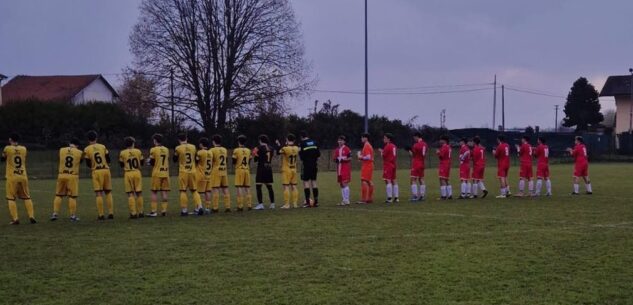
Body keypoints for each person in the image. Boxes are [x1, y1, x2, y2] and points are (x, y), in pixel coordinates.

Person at [2, 133, 36, 224]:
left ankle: (15, 219)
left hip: (12, 177)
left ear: (10, 139)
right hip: (23, 176)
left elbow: (3, 158)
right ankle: (31, 216)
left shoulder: (7, 148)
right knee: (27, 197)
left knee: (11, 198)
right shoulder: (24, 149)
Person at [84, 130, 114, 220]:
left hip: (96, 171)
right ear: (96, 138)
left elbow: (88, 163)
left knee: (98, 193)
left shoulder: (87, 149)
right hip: (106, 170)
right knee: (108, 192)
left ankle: (101, 215)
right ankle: (111, 213)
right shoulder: (103, 146)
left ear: (88, 139)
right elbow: (108, 160)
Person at [51, 137, 82, 222]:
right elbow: (80, 161)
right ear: (77, 145)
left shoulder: (62, 150)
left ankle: (55, 214)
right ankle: (72, 216)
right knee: (72, 196)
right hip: (72, 176)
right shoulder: (79, 152)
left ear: (70, 143)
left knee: (58, 195)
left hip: (61, 175)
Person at [174, 133, 202, 216]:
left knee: (183, 190)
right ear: (187, 138)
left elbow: (174, 159)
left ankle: (184, 210)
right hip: (192, 171)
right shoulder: (193, 147)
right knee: (194, 190)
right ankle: (199, 206)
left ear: (179, 140)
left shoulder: (178, 148)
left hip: (183, 171)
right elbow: (196, 158)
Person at [119, 137, 145, 219]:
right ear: (133, 143)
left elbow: (121, 164)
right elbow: (142, 162)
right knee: (139, 193)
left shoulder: (122, 153)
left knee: (130, 193)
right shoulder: (138, 151)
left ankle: (133, 213)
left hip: (128, 173)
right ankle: (141, 212)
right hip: (137, 172)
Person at [147, 134, 170, 217]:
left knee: (154, 192)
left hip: (157, 173)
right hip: (165, 173)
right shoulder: (166, 149)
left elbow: (152, 162)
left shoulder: (153, 149)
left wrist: (149, 161)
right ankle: (164, 210)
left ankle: (154, 211)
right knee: (164, 192)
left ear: (155, 140)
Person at [277, 134, 300, 209]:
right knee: (294, 186)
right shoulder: (296, 148)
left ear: (287, 139)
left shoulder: (285, 148)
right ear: (294, 140)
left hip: (286, 169)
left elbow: (278, 152)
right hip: (294, 169)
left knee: (286, 186)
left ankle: (287, 204)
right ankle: (295, 204)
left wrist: (278, 144)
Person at [253, 135, 275, 210]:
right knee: (269, 186)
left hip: (261, 167)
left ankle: (260, 204)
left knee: (258, 186)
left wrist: (255, 155)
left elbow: (255, 159)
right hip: (268, 167)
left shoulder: (258, 148)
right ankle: (272, 204)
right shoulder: (271, 148)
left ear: (260, 140)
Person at [299, 131, 321, 207]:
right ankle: (316, 202)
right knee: (314, 182)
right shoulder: (314, 142)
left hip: (306, 165)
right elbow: (318, 154)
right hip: (314, 165)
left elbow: (301, 157)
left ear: (301, 137)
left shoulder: (302, 143)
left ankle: (308, 202)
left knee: (306, 182)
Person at [210, 135, 231, 212]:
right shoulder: (224, 149)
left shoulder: (212, 150)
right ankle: (228, 207)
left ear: (213, 141)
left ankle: (215, 208)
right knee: (225, 188)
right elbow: (226, 160)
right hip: (224, 171)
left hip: (216, 171)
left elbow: (210, 161)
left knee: (215, 189)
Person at [232, 135, 252, 211]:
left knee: (239, 187)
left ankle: (240, 206)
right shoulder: (248, 150)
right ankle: (249, 205)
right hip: (247, 169)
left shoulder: (236, 150)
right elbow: (249, 161)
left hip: (239, 170)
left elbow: (234, 161)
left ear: (238, 142)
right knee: (247, 187)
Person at [195, 137, 213, 213]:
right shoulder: (211, 152)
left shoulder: (200, 152)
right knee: (208, 191)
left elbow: (196, 161)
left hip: (201, 174)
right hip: (208, 174)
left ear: (201, 144)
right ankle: (207, 208)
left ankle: (199, 208)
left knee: (198, 192)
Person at [333, 135, 352, 205]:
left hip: (345, 168)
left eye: (341, 140)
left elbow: (350, 158)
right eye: (339, 140)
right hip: (339, 169)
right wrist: (336, 160)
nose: (340, 141)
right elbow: (334, 159)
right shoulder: (337, 150)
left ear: (344, 141)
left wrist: (344, 159)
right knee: (341, 184)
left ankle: (347, 200)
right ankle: (344, 200)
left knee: (345, 183)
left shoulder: (347, 149)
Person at [380, 133, 399, 203]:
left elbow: (384, 155)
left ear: (389, 139)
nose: (383, 139)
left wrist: (381, 152)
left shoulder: (387, 146)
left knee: (387, 180)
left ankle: (389, 198)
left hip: (388, 164)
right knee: (394, 180)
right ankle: (396, 198)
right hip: (393, 164)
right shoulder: (394, 146)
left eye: (385, 138)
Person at [409, 132, 427, 201]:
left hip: (416, 163)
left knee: (413, 179)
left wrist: (409, 151)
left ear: (417, 137)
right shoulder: (425, 144)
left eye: (414, 137)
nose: (414, 139)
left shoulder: (416, 145)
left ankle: (415, 196)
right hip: (422, 163)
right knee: (421, 179)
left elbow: (413, 155)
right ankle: (422, 196)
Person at [357, 133, 374, 204]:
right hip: (369, 165)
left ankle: (364, 199)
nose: (361, 139)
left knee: (363, 180)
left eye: (362, 137)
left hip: (367, 165)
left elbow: (368, 157)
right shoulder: (368, 145)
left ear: (366, 138)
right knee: (369, 181)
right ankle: (369, 198)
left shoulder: (366, 145)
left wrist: (360, 156)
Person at [437, 135, 453, 200]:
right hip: (448, 163)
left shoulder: (444, 147)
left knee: (442, 179)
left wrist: (438, 153)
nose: (440, 141)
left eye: (441, 139)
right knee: (446, 179)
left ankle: (443, 196)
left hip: (444, 164)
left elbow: (441, 156)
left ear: (444, 140)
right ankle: (450, 195)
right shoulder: (449, 147)